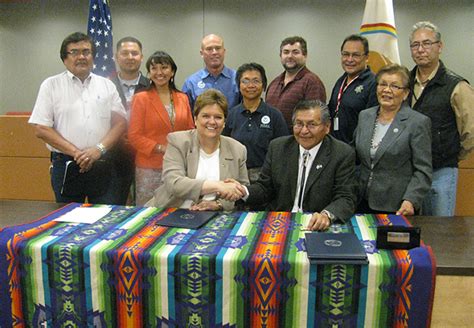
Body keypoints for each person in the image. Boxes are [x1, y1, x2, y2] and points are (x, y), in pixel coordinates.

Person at [29, 32, 127, 204]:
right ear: (64, 58)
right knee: (67, 220)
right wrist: (76, 153)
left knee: (105, 218)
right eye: (74, 52)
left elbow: (120, 123)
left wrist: (97, 150)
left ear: (93, 57)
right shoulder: (51, 85)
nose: (81, 56)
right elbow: (41, 128)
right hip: (66, 163)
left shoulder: (106, 85)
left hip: (101, 161)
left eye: (86, 52)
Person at [238, 100, 357, 231]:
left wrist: (327, 215)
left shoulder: (342, 153)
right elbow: (264, 188)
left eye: (312, 125)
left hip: (315, 225)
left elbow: (346, 197)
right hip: (280, 223)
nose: (304, 131)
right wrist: (242, 191)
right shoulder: (278, 147)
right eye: (299, 124)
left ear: (327, 127)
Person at [408, 21, 474, 216]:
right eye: (415, 45)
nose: (420, 50)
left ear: (440, 46)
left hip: (441, 172)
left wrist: (450, 154)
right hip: (409, 173)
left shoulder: (457, 86)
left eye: (427, 43)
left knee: (440, 231)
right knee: (409, 232)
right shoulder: (404, 83)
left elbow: (470, 132)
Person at [146, 89, 249, 211]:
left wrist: (219, 205)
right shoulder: (177, 141)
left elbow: (241, 189)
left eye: (218, 117)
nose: (212, 122)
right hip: (171, 210)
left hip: (213, 216)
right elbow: (174, 183)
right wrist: (218, 186)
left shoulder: (238, 149)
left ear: (224, 122)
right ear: (195, 119)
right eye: (205, 116)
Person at [354, 64, 432, 215]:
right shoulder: (365, 116)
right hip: (360, 200)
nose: (387, 90)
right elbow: (355, 154)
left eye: (395, 86)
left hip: (397, 206)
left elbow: (423, 170)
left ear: (405, 93)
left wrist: (411, 199)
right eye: (383, 84)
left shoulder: (417, 123)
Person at [128, 51, 195, 205]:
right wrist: (160, 148)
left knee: (177, 208)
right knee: (147, 212)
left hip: (179, 166)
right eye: (154, 69)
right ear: (149, 73)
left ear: (172, 72)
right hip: (150, 166)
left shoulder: (182, 98)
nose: (159, 73)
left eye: (164, 68)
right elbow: (134, 135)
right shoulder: (141, 98)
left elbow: (191, 130)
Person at [223, 63, 289, 183]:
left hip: (266, 178)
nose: (251, 85)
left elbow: (283, 150)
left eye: (256, 81)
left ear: (263, 85)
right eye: (245, 81)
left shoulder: (274, 115)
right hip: (235, 177)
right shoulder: (231, 115)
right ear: (238, 85)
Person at [109, 36, 150, 205]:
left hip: (145, 156)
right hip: (114, 156)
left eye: (134, 53)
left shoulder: (152, 86)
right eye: (125, 53)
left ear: (141, 57)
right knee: (114, 206)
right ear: (116, 57)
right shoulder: (104, 86)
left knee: (145, 206)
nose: (130, 57)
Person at [265, 36, 326, 129]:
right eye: (286, 52)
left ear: (305, 55)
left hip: (298, 141)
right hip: (273, 141)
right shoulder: (274, 83)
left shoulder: (312, 82)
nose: (290, 56)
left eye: (295, 52)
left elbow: (315, 120)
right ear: (280, 56)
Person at [328, 34, 378, 144]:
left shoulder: (374, 83)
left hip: (357, 151)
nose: (349, 59)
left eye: (355, 55)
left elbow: (373, 124)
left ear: (367, 57)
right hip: (336, 147)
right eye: (345, 54)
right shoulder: (341, 81)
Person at [182, 34, 240, 111]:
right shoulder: (191, 83)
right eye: (209, 49)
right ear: (201, 53)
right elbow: (186, 115)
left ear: (224, 51)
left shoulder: (238, 79)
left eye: (218, 48)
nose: (214, 52)